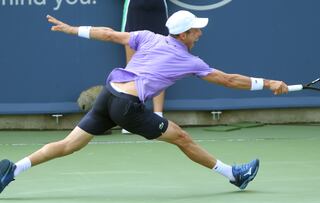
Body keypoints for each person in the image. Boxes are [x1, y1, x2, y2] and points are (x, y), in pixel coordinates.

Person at [0, 10, 289, 194]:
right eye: (196, 30)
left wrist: (73, 29)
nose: (200, 33)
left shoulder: (148, 37)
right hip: (127, 106)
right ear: (184, 34)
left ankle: (12, 170)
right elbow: (228, 80)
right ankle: (234, 175)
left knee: (68, 145)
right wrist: (269, 83)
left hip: (109, 94)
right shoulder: (189, 60)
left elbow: (111, 35)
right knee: (183, 138)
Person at [121, 0, 168, 134]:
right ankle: (131, 116)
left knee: (160, 67)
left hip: (157, 12)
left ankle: (158, 117)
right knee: (132, 68)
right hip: (134, 11)